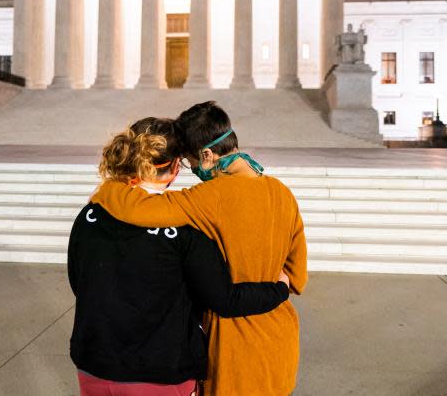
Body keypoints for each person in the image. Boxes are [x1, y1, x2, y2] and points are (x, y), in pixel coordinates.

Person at [90, 102, 307, 396]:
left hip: (234, 347)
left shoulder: (208, 198)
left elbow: (139, 210)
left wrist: (110, 185)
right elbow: (298, 277)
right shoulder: (283, 193)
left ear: (206, 155)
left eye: (191, 164)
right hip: (281, 340)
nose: (192, 171)